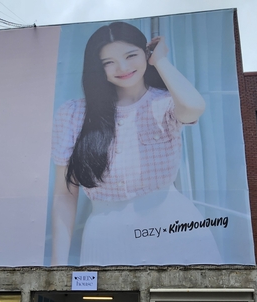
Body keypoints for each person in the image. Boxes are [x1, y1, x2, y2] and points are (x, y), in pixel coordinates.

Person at [51, 21, 221, 266]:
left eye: (131, 55)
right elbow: (64, 194)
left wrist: (160, 60)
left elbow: (195, 107)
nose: (122, 67)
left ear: (145, 54)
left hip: (172, 226)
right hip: (106, 236)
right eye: (108, 62)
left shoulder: (165, 104)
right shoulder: (73, 114)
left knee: (190, 301)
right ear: (97, 69)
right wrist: (58, 266)